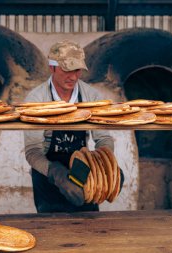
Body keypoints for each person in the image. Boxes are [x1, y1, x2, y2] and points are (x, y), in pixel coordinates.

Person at [24, 40, 119, 213]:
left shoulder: (92, 96)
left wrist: (101, 166)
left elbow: (104, 138)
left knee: (87, 229)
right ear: (52, 67)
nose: (73, 77)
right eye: (67, 70)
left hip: (84, 172)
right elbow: (32, 151)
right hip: (48, 173)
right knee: (52, 230)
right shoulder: (36, 99)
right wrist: (57, 174)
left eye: (77, 70)